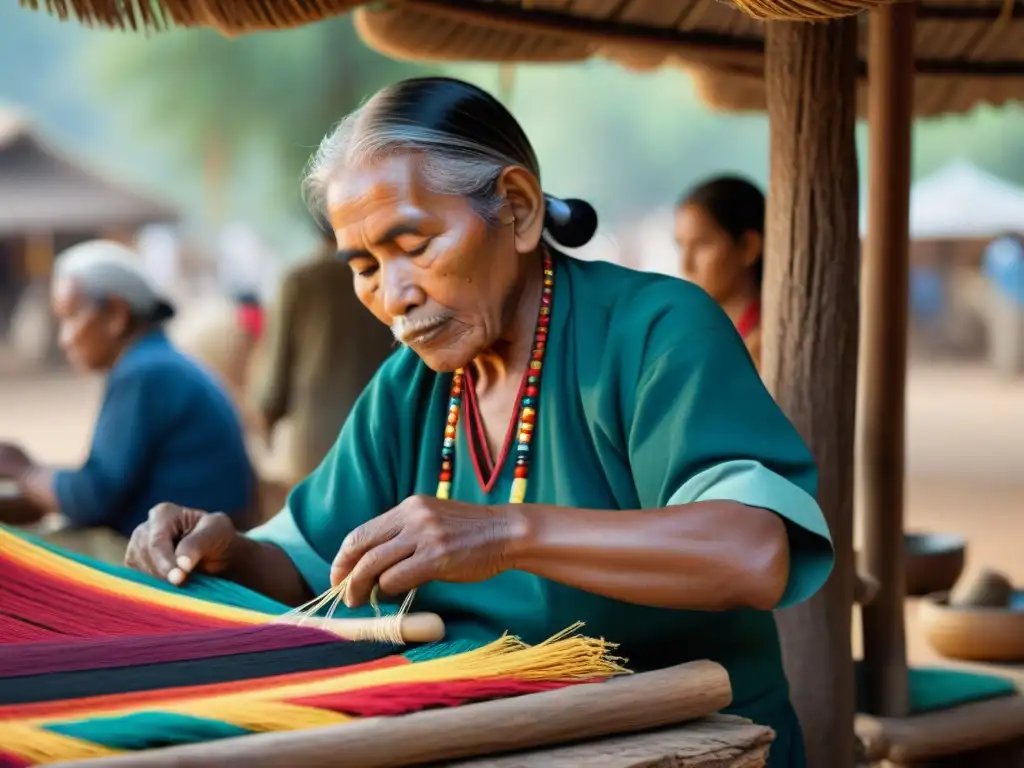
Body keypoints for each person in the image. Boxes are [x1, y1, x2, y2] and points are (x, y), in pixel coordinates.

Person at [123, 77, 833, 768]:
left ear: (518, 211)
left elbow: (750, 553)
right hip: (501, 741)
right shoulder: (411, 388)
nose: (393, 294)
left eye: (415, 245)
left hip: (696, 746)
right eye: (365, 265)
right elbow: (314, 563)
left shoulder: (654, 331)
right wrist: (224, 551)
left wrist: (501, 532)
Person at [0, 240, 256, 545]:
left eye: (70, 317)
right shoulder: (159, 362)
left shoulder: (144, 374)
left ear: (116, 315)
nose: (64, 340)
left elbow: (93, 498)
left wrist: (23, 470)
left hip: (187, 554)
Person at [247, 226, 395, 482]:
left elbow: (271, 387)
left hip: (319, 446)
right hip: (387, 435)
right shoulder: (393, 276)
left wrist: (266, 435)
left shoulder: (302, 281)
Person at [675, 176, 765, 368]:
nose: (686, 265)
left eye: (702, 244)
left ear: (748, 247)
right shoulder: (700, 335)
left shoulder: (766, 348)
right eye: (681, 246)